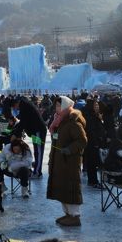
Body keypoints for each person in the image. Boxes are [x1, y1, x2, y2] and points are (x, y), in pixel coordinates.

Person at [47, 96, 88, 227]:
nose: (57, 108)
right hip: (59, 160)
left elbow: (82, 140)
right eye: (56, 106)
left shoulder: (72, 121)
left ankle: (75, 216)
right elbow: (57, 138)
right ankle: (68, 214)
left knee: (71, 187)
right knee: (62, 188)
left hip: (70, 161)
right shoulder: (59, 120)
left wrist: (69, 150)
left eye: (59, 106)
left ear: (65, 106)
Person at [12, 97, 48, 178]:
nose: (15, 109)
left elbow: (23, 123)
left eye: (14, 107)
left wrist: (15, 134)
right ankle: (37, 168)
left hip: (39, 131)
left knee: (38, 151)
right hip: (35, 132)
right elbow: (22, 122)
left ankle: (37, 173)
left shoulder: (24, 107)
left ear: (17, 103)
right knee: (36, 151)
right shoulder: (24, 106)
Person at [83, 99, 107, 189]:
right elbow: (91, 131)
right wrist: (96, 142)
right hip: (92, 143)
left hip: (95, 142)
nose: (97, 107)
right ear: (91, 106)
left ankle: (94, 181)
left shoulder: (94, 115)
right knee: (92, 163)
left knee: (93, 163)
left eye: (97, 105)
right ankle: (93, 181)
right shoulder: (89, 117)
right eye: (95, 105)